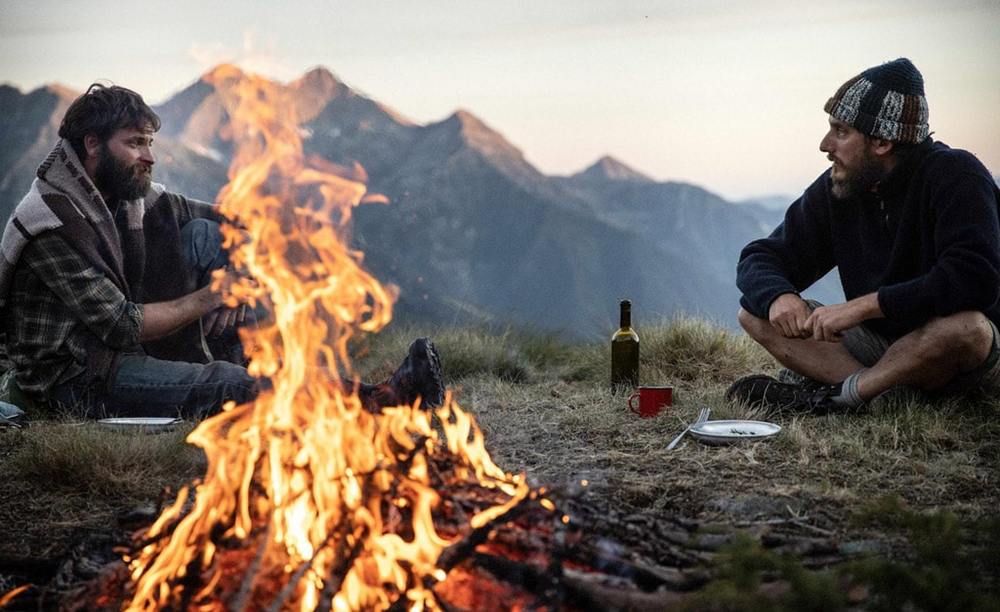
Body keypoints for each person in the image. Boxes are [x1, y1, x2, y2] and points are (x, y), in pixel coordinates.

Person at [0, 83, 444, 419]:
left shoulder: (118, 194)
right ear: (92, 145)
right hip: (77, 375)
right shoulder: (53, 223)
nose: (149, 157)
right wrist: (212, 296)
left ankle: (248, 360)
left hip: (117, 343)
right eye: (135, 143)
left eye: (150, 143)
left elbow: (225, 220)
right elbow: (121, 325)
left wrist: (250, 255)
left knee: (205, 237)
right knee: (224, 385)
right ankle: (379, 401)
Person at [727, 58, 1000, 414]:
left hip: (964, 352)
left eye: (840, 131)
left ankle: (838, 398)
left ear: (882, 141)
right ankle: (878, 397)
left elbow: (973, 280)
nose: (825, 145)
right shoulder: (840, 188)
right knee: (755, 311)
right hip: (884, 347)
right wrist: (779, 296)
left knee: (965, 327)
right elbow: (761, 257)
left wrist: (863, 307)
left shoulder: (956, 175)